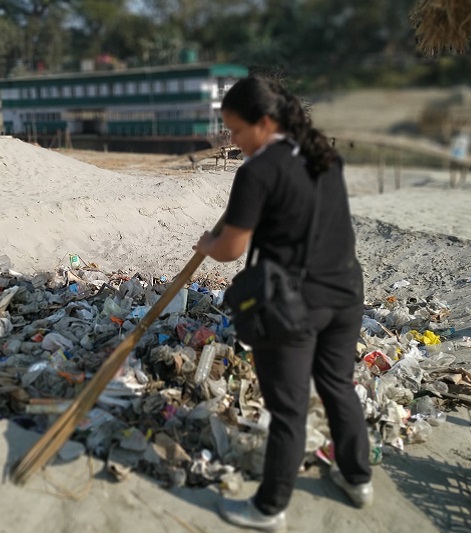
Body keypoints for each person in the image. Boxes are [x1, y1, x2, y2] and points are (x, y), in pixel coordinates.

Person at [194, 76, 372, 531]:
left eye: (235, 130)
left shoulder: (256, 172)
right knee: (338, 384)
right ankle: (357, 478)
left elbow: (232, 248)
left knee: (290, 410)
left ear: (266, 121)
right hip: (347, 290)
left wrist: (207, 243)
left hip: (295, 303)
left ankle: (269, 509)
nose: (231, 140)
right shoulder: (324, 156)